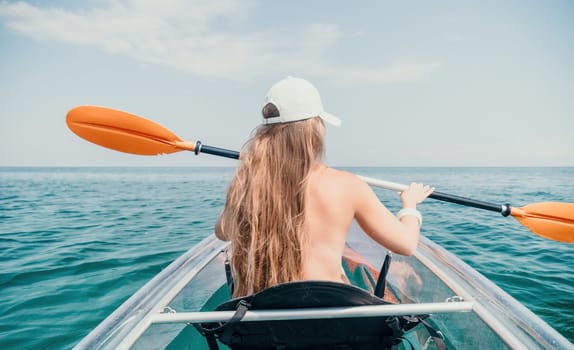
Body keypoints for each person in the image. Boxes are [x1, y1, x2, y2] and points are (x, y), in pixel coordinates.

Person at [215, 76, 434, 297]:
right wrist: (410, 205)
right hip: (327, 317)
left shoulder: (247, 184)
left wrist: (253, 176)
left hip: (264, 322)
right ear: (315, 129)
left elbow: (222, 232)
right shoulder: (347, 185)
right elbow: (406, 244)